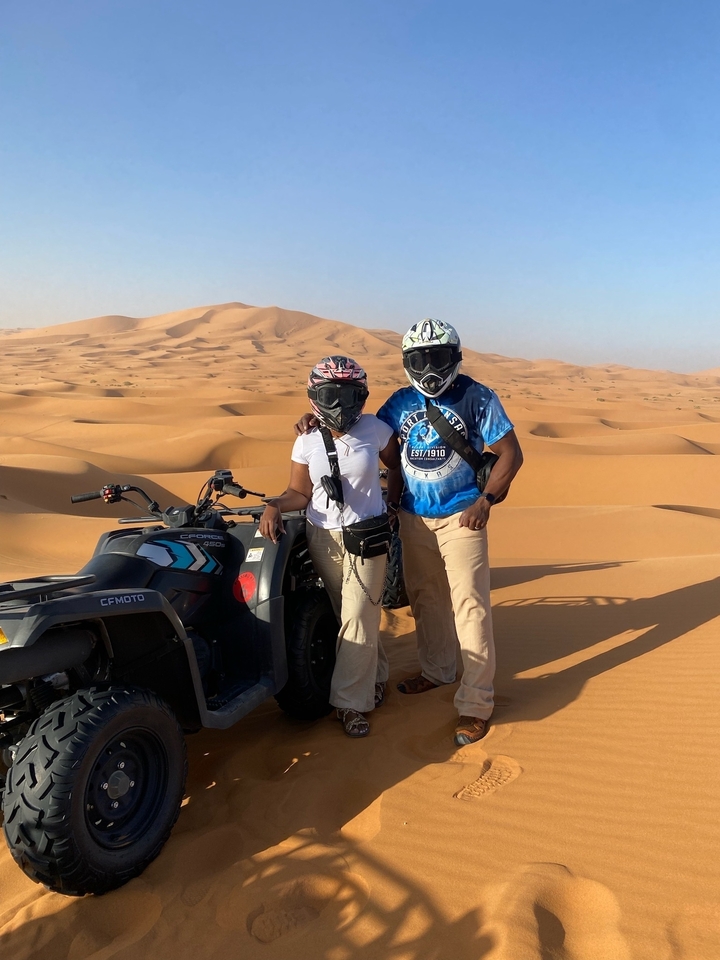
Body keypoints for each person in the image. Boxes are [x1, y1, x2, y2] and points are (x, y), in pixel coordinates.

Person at [295, 320, 523, 745]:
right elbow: (358, 430)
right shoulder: (399, 403)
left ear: (453, 357)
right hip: (414, 518)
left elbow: (511, 452)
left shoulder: (477, 397)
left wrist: (485, 502)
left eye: (437, 357)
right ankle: (438, 671)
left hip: (463, 517)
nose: (429, 367)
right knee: (425, 598)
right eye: (419, 359)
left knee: (470, 607)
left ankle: (475, 704)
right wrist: (315, 419)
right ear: (407, 362)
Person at [260, 356, 400, 738]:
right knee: (350, 613)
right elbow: (298, 492)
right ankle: (377, 675)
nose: (340, 404)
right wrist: (274, 505)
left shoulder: (376, 429)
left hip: (366, 535)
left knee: (357, 614)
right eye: (330, 394)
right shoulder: (305, 440)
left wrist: (393, 504)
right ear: (314, 396)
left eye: (349, 394)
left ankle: (349, 704)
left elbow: (396, 467)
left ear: (362, 396)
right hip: (322, 537)